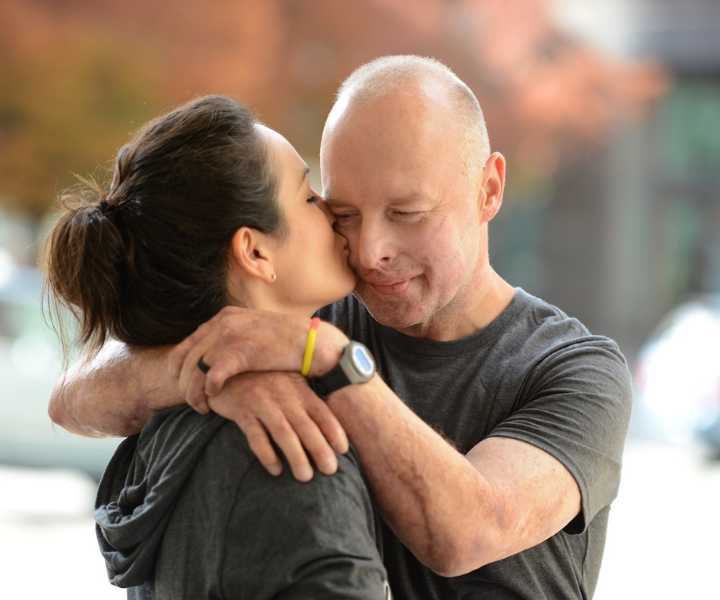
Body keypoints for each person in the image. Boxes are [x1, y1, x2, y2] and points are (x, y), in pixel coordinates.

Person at [51, 56, 633, 599]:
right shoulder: (301, 309)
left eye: (406, 214)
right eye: (343, 213)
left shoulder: (576, 370)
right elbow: (71, 397)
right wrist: (221, 373)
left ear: (489, 189)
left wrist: (330, 360)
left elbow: (470, 533)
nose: (371, 251)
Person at [42, 95, 392, 599]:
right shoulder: (291, 443)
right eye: (308, 197)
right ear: (254, 251)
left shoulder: (162, 431)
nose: (334, 214)